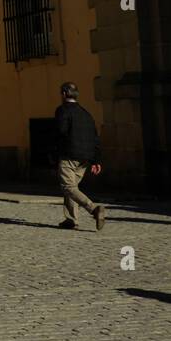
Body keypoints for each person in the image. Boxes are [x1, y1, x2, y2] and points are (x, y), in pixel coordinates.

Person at [55, 82, 104, 230]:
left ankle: (94, 209)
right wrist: (96, 160)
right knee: (73, 187)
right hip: (85, 158)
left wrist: (54, 151)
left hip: (69, 155)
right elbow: (95, 137)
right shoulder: (86, 113)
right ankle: (71, 219)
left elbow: (60, 132)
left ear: (64, 94)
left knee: (67, 186)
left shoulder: (63, 110)